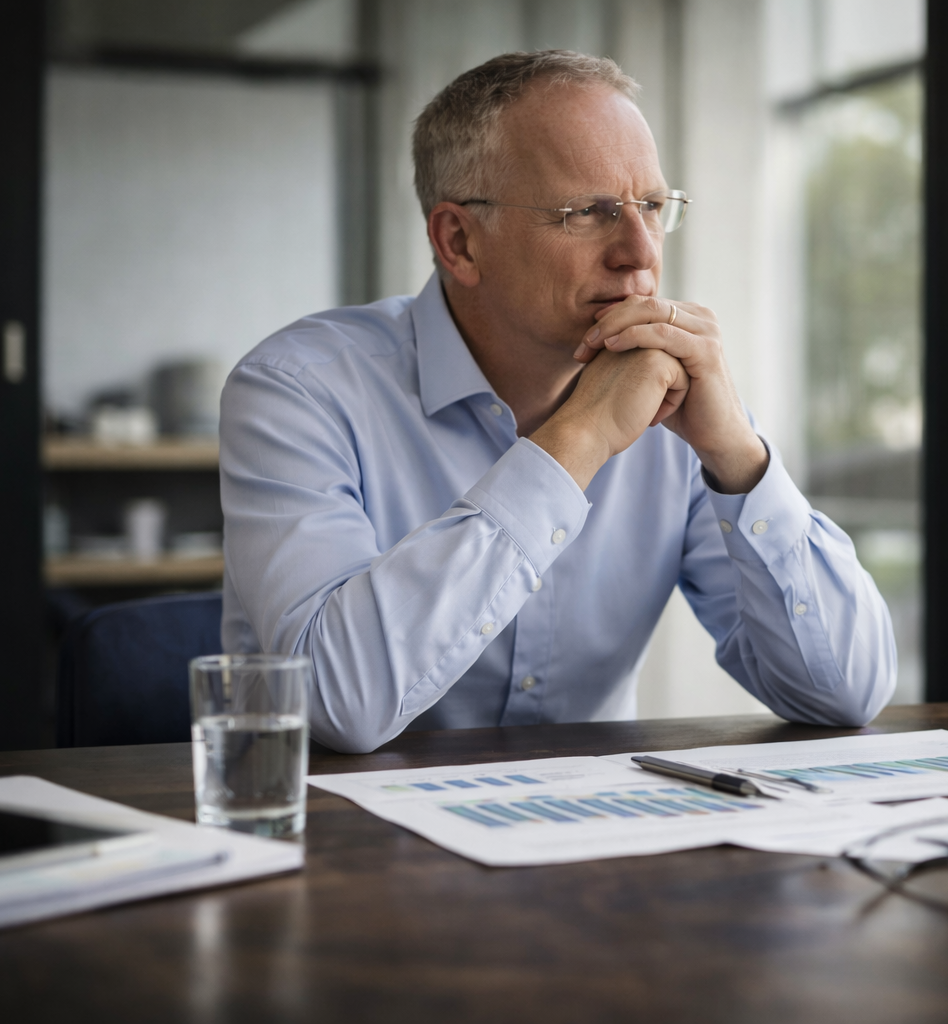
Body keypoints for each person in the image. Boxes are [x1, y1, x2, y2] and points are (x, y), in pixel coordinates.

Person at [219, 50, 896, 754]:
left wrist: (739, 458)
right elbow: (338, 703)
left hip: (587, 843)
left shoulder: (675, 403)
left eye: (654, 209)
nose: (640, 254)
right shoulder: (298, 388)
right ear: (459, 242)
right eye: (589, 214)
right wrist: (579, 441)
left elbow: (847, 693)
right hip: (338, 842)